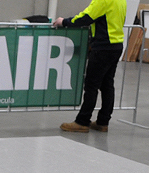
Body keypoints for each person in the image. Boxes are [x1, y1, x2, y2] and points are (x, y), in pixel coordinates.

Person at [54, 0, 127, 133]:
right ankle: (103, 122)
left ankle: (82, 121)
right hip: (116, 45)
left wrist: (64, 21)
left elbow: (86, 17)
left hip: (102, 47)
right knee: (107, 85)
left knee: (91, 86)